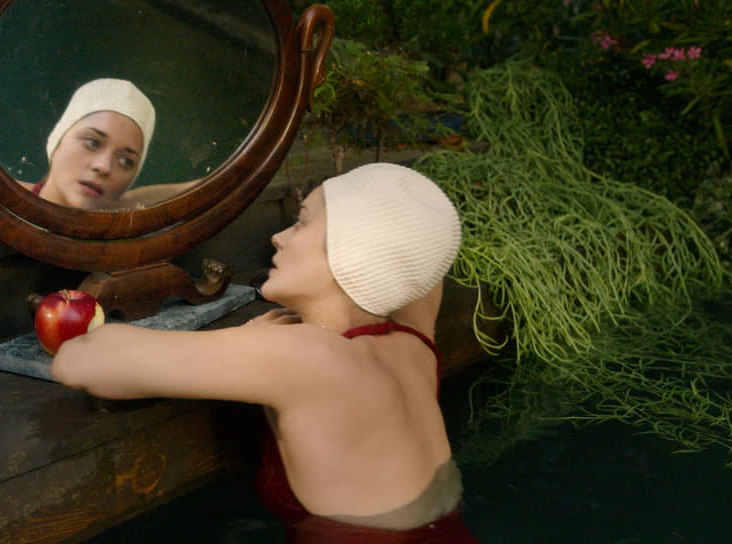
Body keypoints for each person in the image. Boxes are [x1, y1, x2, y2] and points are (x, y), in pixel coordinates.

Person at [50, 163, 481, 543]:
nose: (278, 237)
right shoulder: (414, 345)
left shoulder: (304, 355)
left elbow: (81, 361)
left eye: (301, 223)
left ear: (354, 250)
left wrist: (240, 339)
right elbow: (423, 260)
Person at [24, 78, 197, 210]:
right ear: (57, 140)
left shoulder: (126, 234)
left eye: (125, 161)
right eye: (92, 143)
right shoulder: (8, 204)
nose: (104, 167)